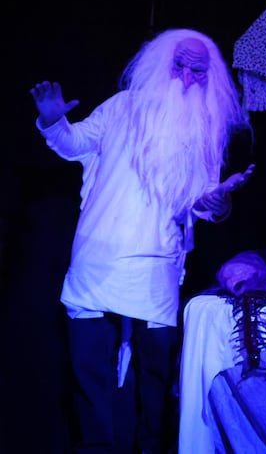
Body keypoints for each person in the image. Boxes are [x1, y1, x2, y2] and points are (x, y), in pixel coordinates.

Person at [29, 28, 253, 454]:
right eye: (179, 67)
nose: (186, 79)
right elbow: (75, 143)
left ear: (211, 80)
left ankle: (150, 448)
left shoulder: (204, 130)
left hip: (155, 267)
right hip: (99, 258)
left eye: (198, 73)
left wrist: (219, 198)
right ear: (160, 64)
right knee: (89, 371)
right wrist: (52, 120)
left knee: (155, 378)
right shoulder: (122, 107)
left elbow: (199, 203)